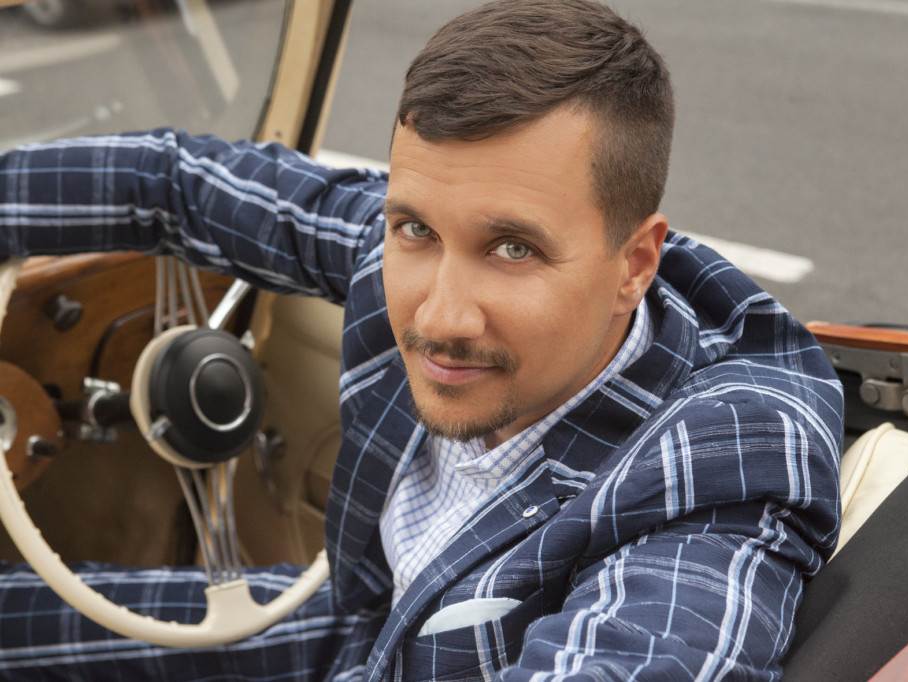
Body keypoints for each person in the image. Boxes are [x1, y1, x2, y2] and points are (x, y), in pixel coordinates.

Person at [0, 0, 843, 679]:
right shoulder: (402, 244)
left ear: (635, 264)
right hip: (362, 633)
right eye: (416, 230)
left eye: (513, 250)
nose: (439, 318)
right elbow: (175, 186)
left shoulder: (720, 461)